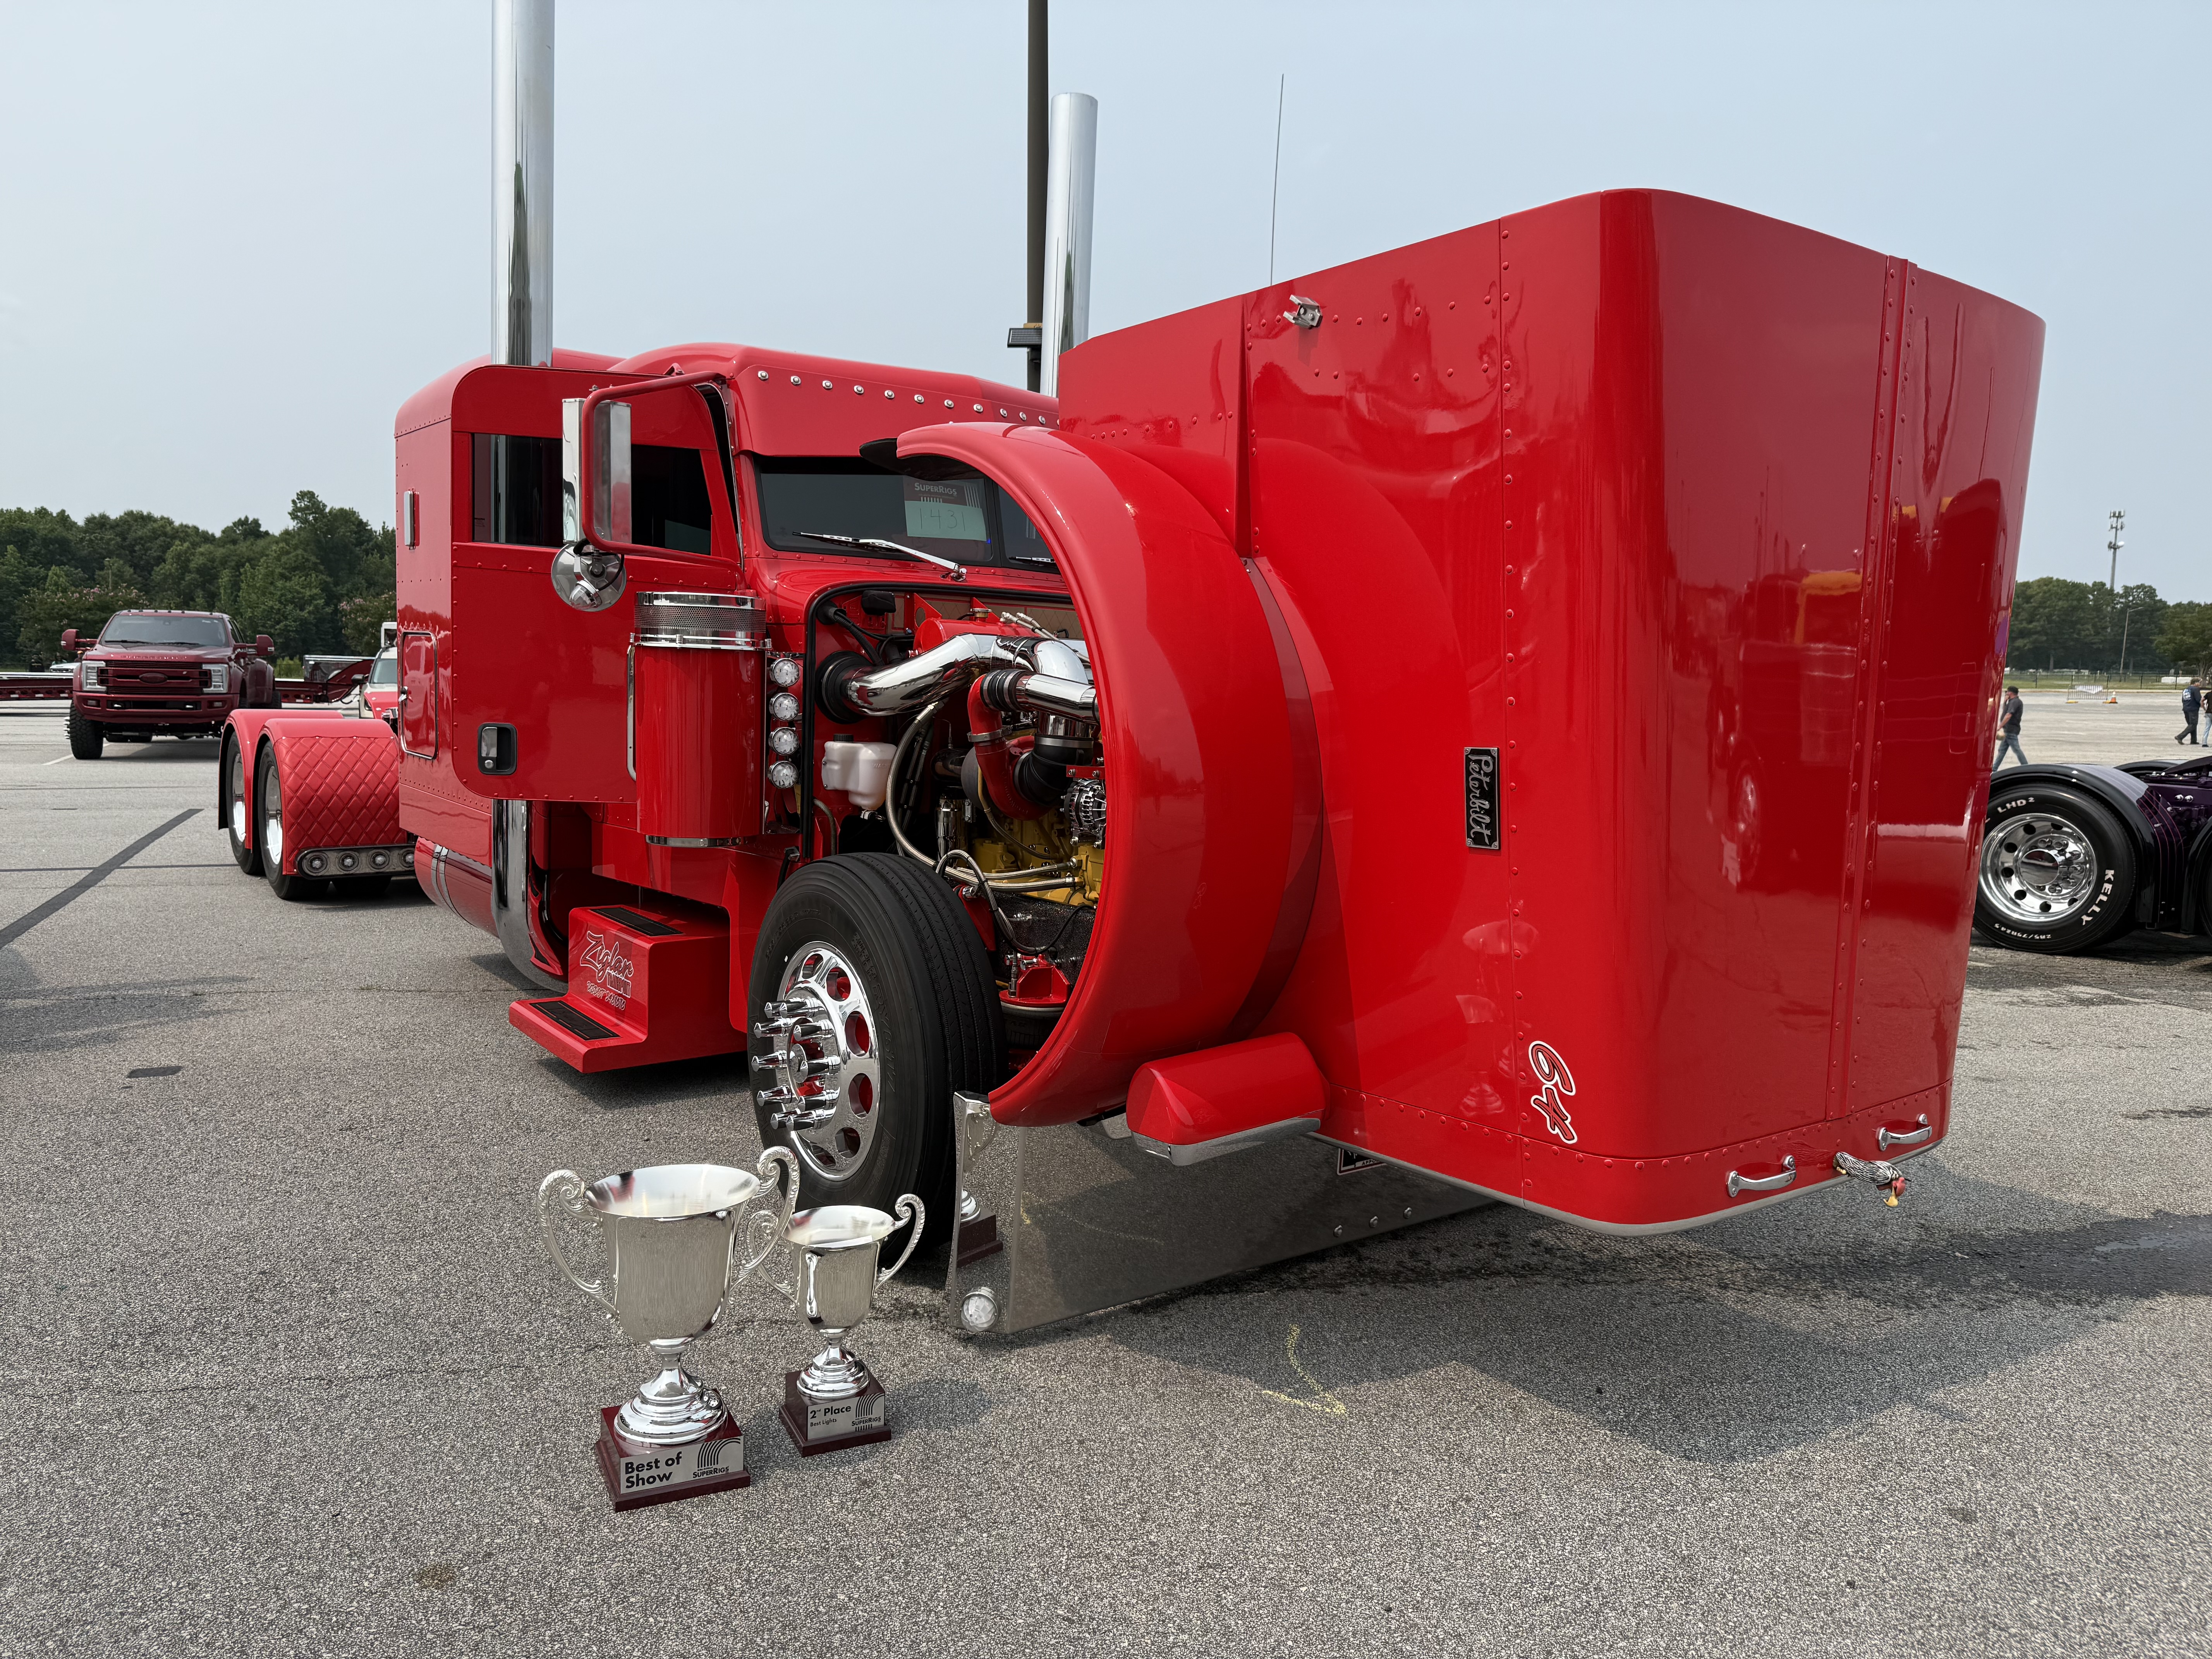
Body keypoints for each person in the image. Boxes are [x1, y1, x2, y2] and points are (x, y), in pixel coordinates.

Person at [1994, 685, 2026, 768]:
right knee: (2002, 750)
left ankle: (2026, 766)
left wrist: (2000, 726)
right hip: (2008, 730)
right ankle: (1994, 768)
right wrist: (2005, 702)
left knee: (2016, 749)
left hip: (2011, 730)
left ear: (2010, 693)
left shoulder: (2015, 702)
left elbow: (2008, 715)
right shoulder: (2011, 702)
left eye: (2007, 692)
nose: (2006, 694)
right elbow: (2005, 710)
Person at [2177, 678, 2202, 746]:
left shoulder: (2186, 690)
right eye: (2199, 683)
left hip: (2186, 708)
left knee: (2192, 725)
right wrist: (2203, 705)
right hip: (2193, 709)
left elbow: (2183, 700)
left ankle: (2194, 740)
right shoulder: (2196, 689)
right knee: (2193, 724)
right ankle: (2180, 737)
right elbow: (2199, 699)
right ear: (2196, 683)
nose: (2200, 684)